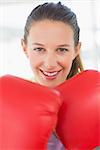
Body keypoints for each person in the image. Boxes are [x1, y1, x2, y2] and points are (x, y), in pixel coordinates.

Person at [21, 1, 83, 149]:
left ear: (76, 50)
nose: (49, 64)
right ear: (25, 48)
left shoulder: (94, 101)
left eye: (61, 49)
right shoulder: (7, 102)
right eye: (39, 49)